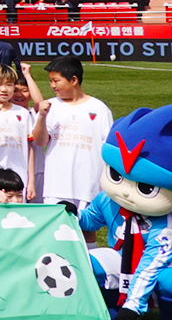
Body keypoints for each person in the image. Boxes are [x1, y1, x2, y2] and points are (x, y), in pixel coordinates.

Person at [29, 56, 112, 210]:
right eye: (50, 81)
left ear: (73, 80)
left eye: (56, 80)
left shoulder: (99, 108)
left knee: (86, 230)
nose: (52, 85)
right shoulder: (50, 106)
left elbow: (108, 145)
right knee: (57, 229)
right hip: (56, 184)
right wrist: (41, 116)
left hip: (88, 183)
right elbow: (40, 141)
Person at [0, 66, 36, 202]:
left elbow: (30, 148)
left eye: (9, 85)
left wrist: (31, 181)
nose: (4, 89)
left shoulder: (22, 113)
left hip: (19, 179)